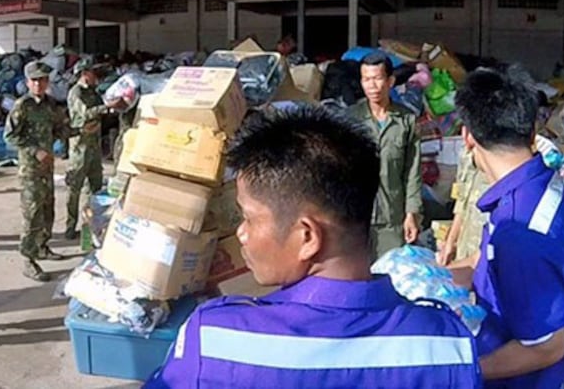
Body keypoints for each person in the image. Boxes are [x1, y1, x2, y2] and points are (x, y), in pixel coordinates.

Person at [145, 105, 481, 388]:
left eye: (248, 217)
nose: (242, 234)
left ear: (307, 236)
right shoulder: (448, 345)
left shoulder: (215, 339)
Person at [452, 68, 564, 388]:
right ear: (531, 130)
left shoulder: (522, 230)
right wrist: (421, 279)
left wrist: (460, 372)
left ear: (467, 135)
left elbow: (545, 348)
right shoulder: (538, 185)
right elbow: (483, 261)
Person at [350, 52, 422, 259]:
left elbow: (412, 171)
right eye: (366, 79)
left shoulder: (406, 120)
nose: (372, 86)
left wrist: (412, 214)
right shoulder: (350, 120)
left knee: (390, 277)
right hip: (356, 219)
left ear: (390, 81)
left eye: (378, 78)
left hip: (392, 218)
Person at [5, 61, 70, 282]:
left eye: (43, 80)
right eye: (35, 80)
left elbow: (60, 128)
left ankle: (42, 247)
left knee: (47, 210)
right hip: (30, 170)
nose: (39, 84)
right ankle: (28, 260)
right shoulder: (22, 106)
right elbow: (11, 136)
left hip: (47, 168)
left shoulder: (51, 104)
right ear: (27, 83)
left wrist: (80, 130)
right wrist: (35, 151)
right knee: (32, 215)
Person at [64, 60, 114, 240]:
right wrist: (106, 107)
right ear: (85, 73)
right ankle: (70, 228)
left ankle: (91, 228)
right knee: (74, 189)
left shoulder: (93, 91)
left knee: (95, 189)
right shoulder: (76, 93)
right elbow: (86, 113)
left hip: (93, 146)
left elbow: (101, 112)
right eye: (94, 73)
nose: (97, 77)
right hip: (80, 147)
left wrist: (110, 108)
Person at [437, 148, 491, 266]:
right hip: (464, 249)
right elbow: (461, 204)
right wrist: (450, 241)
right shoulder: (465, 155)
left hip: (484, 259)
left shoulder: (496, 162)